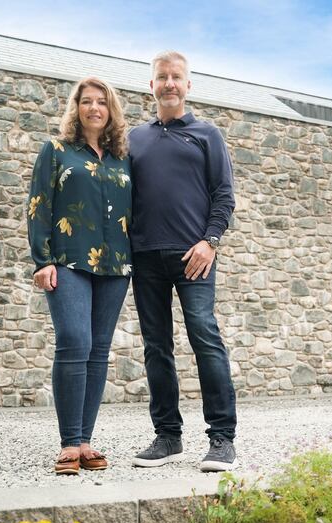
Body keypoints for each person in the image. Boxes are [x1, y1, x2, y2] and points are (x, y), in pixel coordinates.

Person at [129, 51, 237, 472]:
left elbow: (224, 195)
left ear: (188, 85)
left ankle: (222, 439)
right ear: (151, 86)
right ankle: (167, 437)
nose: (169, 84)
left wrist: (210, 242)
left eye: (176, 77)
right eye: (162, 78)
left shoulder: (208, 134)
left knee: (205, 338)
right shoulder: (134, 138)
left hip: (195, 257)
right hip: (146, 258)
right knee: (157, 347)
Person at [27, 76, 132, 475]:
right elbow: (39, 205)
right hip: (67, 261)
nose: (94, 108)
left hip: (116, 265)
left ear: (111, 111)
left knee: (99, 349)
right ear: (76, 107)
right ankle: (69, 442)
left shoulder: (123, 159)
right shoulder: (55, 151)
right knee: (74, 341)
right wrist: (42, 260)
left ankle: (86, 442)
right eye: (86, 101)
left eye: (101, 102)